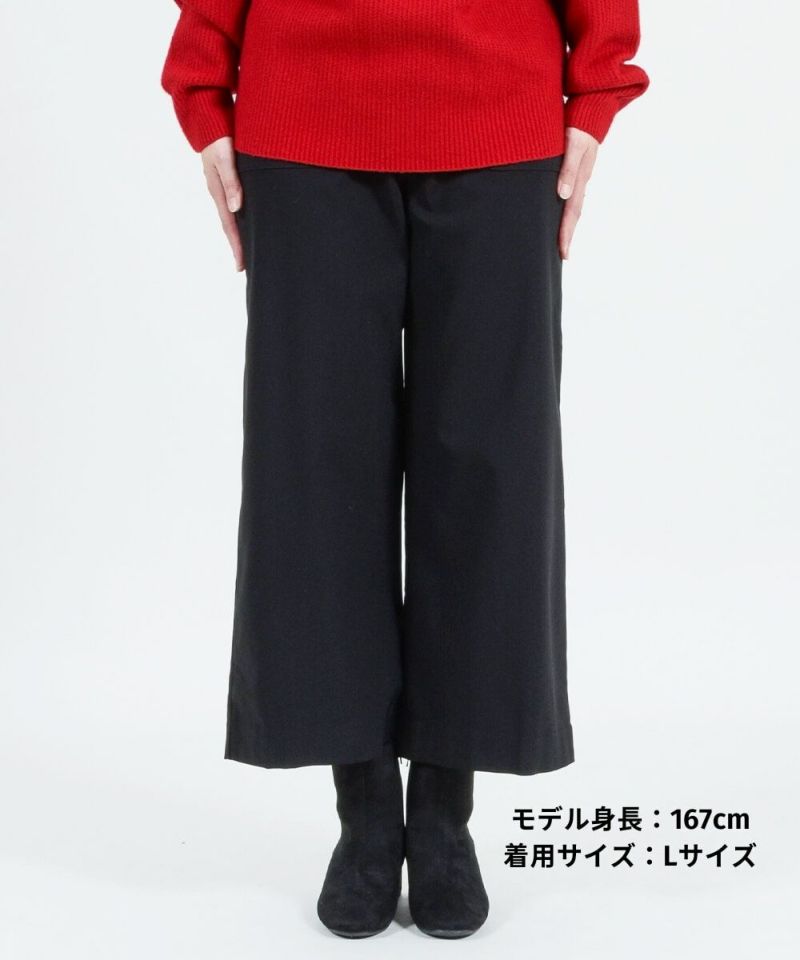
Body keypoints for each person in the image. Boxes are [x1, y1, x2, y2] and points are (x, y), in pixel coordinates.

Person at [160, 0, 649, 939]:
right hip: (304, 120)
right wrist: (203, 95)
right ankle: (365, 810)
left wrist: (595, 93)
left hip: (499, 118)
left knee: (489, 469)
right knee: (315, 468)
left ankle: (444, 811)